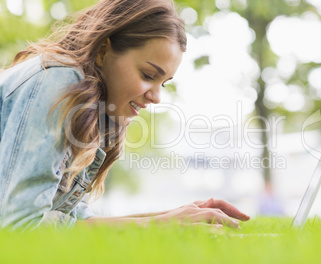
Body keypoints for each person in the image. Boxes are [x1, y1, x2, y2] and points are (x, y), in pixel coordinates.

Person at [0, 0, 250, 230]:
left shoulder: (97, 111)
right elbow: (20, 225)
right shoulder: (58, 80)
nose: (156, 97)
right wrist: (160, 224)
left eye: (163, 83)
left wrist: (177, 216)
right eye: (148, 75)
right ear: (102, 52)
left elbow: (72, 219)